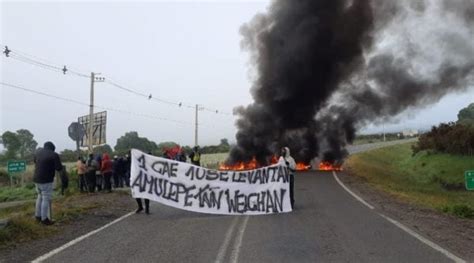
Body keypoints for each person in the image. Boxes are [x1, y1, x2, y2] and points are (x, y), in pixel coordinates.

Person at [33, 141, 63, 225]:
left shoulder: (38, 152)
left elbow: (35, 161)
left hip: (36, 179)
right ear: (52, 148)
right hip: (46, 180)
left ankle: (37, 217)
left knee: (39, 197)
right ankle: (44, 219)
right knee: (46, 198)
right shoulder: (54, 155)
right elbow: (59, 168)